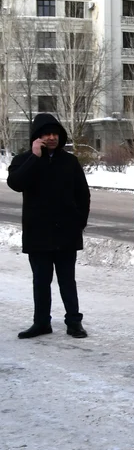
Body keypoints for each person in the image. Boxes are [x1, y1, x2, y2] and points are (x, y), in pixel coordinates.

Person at [6, 113, 91, 339]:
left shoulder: (69, 161)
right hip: (38, 233)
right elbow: (16, 183)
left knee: (67, 280)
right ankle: (41, 322)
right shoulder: (23, 160)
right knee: (41, 281)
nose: (51, 138)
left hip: (66, 233)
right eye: (46, 134)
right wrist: (34, 157)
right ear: (37, 137)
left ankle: (74, 322)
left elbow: (83, 195)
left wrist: (78, 223)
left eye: (55, 133)